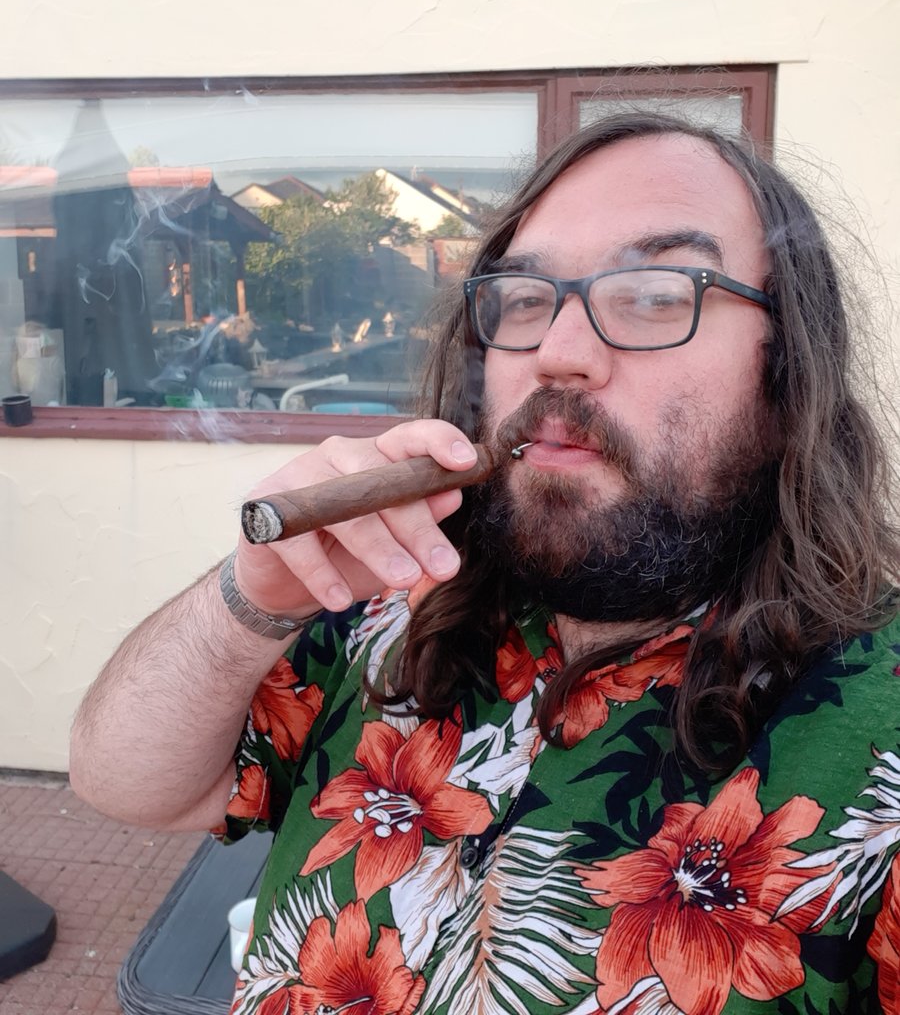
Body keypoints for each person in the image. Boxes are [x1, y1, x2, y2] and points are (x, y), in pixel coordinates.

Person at [70, 114, 900, 1015]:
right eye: (527, 299)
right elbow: (128, 785)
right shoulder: (390, 596)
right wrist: (250, 601)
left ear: (785, 375)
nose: (559, 354)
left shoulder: (879, 715)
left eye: (656, 294)